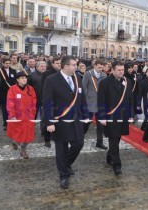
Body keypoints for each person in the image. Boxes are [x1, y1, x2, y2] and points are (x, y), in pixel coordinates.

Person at [43, 56, 89, 189]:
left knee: (79, 144)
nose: (76, 67)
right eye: (74, 65)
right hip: (59, 120)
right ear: (65, 66)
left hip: (76, 119)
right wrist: (49, 122)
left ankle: (66, 164)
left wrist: (86, 115)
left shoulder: (77, 78)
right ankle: (63, 175)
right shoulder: (51, 80)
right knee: (61, 149)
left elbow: (82, 98)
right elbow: (47, 102)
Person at [97, 61, 134, 175]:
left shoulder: (128, 81)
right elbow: (101, 100)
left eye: (122, 70)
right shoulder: (104, 82)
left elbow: (130, 99)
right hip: (110, 115)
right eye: (118, 70)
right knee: (113, 139)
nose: (121, 72)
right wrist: (101, 116)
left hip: (123, 115)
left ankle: (109, 156)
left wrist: (131, 114)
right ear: (112, 70)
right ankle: (117, 165)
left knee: (117, 138)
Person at [6, 71, 37, 159]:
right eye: (22, 78)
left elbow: (34, 100)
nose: (24, 79)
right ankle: (14, 141)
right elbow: (10, 102)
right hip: (17, 115)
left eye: (25, 78)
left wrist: (33, 111)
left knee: (27, 134)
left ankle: (23, 150)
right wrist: (12, 115)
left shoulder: (30, 89)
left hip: (28, 116)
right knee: (16, 132)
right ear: (17, 79)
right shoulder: (12, 89)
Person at [82, 59, 108, 150]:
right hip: (89, 102)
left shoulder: (104, 75)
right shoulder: (87, 74)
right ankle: (80, 138)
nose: (100, 69)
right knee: (87, 122)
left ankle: (99, 142)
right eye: (99, 67)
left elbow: (105, 90)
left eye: (102, 67)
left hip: (100, 104)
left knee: (100, 124)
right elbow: (84, 87)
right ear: (95, 66)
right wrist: (83, 102)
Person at [0, 57, 17, 130]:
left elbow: (15, 81)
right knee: (5, 109)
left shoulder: (13, 71)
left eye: (9, 63)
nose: (8, 65)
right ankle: (6, 123)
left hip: (12, 93)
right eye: (6, 63)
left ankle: (12, 122)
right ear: (3, 63)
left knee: (12, 108)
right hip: (3, 93)